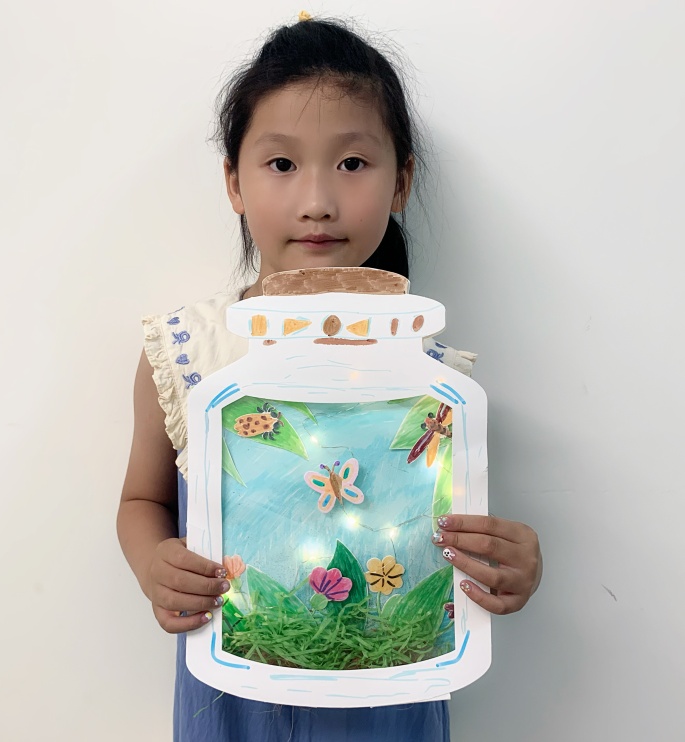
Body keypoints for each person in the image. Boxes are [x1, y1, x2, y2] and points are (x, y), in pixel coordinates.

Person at [117, 14, 543, 742]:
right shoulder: (190, 351)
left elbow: (447, 543)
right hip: (232, 704)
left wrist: (510, 566)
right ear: (234, 182)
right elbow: (142, 499)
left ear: (401, 179)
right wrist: (154, 562)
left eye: (351, 163)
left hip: (392, 707)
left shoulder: (433, 379)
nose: (316, 199)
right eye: (282, 164)